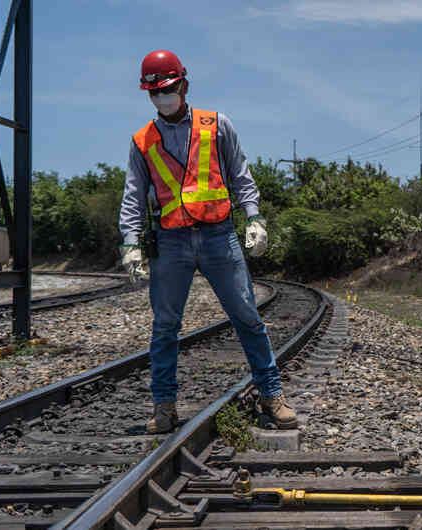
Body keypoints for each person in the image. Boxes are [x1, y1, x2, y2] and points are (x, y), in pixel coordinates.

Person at [118, 50, 296, 434]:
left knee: (248, 316)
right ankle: (163, 407)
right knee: (165, 327)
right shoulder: (142, 141)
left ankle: (271, 394)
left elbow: (241, 175)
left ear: (184, 85)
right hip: (170, 243)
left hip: (219, 237)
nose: (162, 98)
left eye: (167, 90)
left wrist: (255, 217)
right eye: (154, 93)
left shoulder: (216, 125)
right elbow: (133, 195)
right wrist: (130, 243)